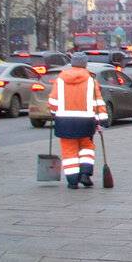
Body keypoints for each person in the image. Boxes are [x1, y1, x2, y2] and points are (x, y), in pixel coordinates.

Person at [47, 53, 108, 190]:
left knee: (69, 150)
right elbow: (98, 101)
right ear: (85, 64)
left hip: (64, 120)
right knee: (87, 146)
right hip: (86, 120)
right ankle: (85, 174)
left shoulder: (60, 79)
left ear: (72, 63)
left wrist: (54, 112)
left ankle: (72, 181)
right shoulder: (91, 80)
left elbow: (52, 100)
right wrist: (102, 119)